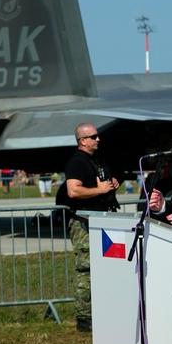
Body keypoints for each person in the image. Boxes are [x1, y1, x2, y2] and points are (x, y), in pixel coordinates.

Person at [55, 123, 120, 332]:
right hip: (83, 223)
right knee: (86, 270)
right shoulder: (76, 162)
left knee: (105, 267)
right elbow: (73, 191)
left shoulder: (97, 159)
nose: (97, 139)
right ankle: (84, 318)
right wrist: (100, 190)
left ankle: (103, 310)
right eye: (92, 137)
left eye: (97, 135)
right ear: (82, 141)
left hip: (102, 220)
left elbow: (101, 182)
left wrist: (111, 183)